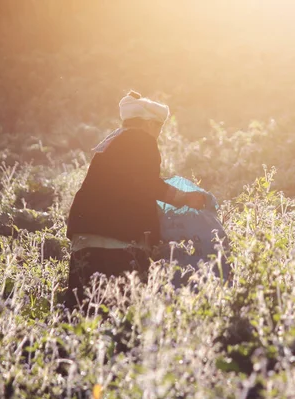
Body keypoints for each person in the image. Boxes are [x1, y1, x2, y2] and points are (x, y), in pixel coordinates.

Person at [64, 90, 206, 308]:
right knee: (119, 313)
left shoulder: (113, 142)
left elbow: (128, 184)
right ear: (148, 124)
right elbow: (146, 183)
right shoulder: (141, 140)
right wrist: (184, 198)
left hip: (85, 240)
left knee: (83, 311)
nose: (158, 134)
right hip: (115, 244)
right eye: (158, 127)